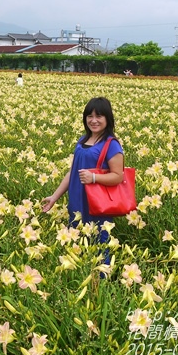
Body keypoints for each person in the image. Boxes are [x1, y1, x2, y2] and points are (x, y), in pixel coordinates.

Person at [42, 97, 125, 265]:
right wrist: (54, 197)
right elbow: (73, 172)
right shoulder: (82, 140)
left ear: (107, 118)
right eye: (89, 116)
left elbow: (118, 176)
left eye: (99, 116)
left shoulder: (112, 144)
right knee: (77, 241)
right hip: (77, 201)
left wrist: (94, 177)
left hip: (97, 204)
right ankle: (79, 278)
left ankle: (100, 284)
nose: (93, 120)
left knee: (99, 243)